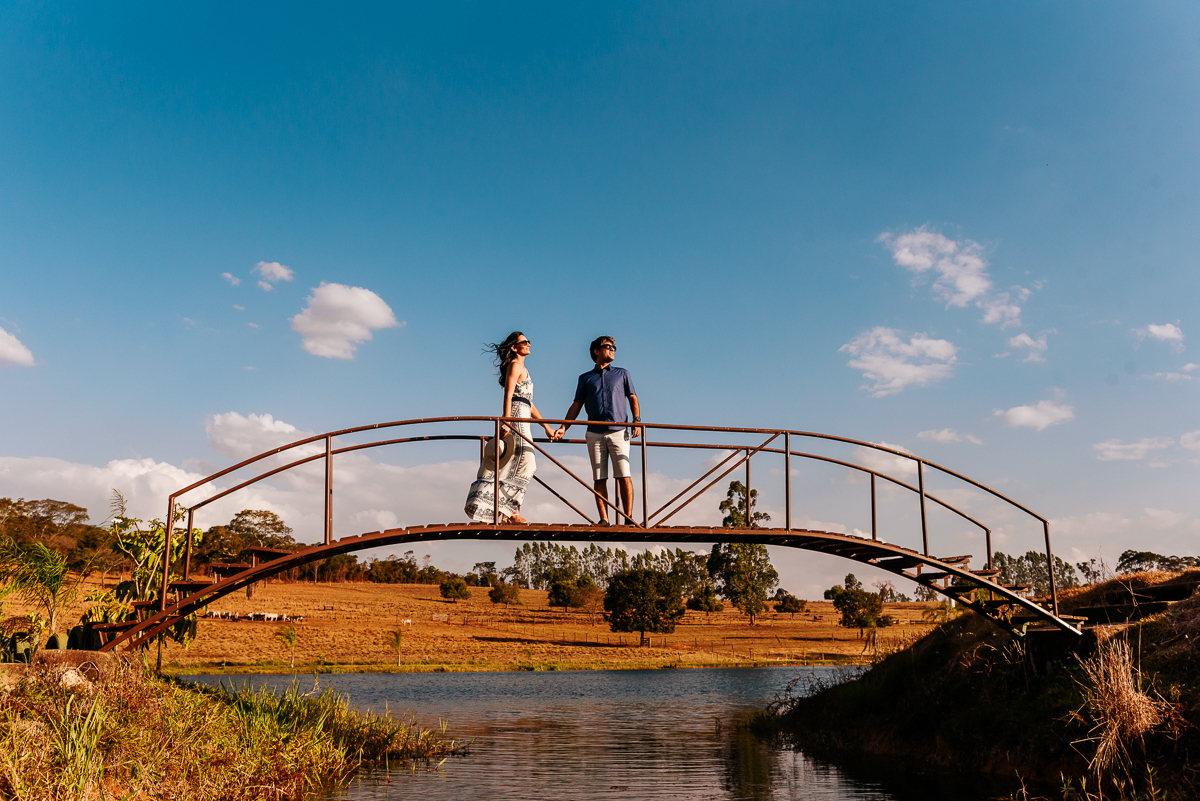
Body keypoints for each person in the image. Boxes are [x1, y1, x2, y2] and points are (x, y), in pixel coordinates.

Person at [464, 332, 556, 525]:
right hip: (516, 419)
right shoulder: (514, 366)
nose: (529, 344)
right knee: (527, 463)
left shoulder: (523, 368)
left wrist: (546, 427)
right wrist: (506, 420)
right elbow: (508, 394)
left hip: (524, 418)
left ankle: (509, 514)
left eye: (529, 341)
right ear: (514, 347)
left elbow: (529, 404)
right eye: (525, 342)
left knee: (515, 466)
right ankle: (510, 513)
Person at [551, 336, 641, 525]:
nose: (613, 349)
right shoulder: (585, 378)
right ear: (596, 351)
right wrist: (563, 428)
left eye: (614, 347)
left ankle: (628, 518)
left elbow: (632, 397)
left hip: (619, 431)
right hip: (594, 432)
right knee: (599, 477)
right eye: (608, 347)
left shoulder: (622, 373)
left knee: (624, 474)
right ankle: (604, 519)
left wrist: (637, 420)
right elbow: (576, 405)